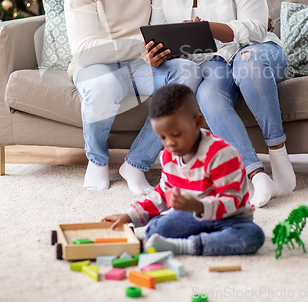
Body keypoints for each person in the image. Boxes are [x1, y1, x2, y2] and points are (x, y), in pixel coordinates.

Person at [149, 0, 296, 208]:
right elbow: (159, 32)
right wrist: (157, 53)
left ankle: (281, 162)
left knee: (247, 61)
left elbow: (256, 28)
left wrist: (210, 27)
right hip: (213, 64)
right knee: (207, 96)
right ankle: (256, 176)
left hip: (259, 52)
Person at [64, 0, 202, 194]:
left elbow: (167, 18)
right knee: (102, 86)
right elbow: (85, 50)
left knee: (188, 72)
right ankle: (97, 160)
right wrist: (141, 45)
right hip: (97, 65)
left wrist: (182, 30)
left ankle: (136, 164)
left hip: (141, 64)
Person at [103, 84, 265, 256]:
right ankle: (207, 239)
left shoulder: (222, 154)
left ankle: (186, 246)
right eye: (163, 137)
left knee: (252, 236)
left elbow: (232, 201)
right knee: (154, 229)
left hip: (229, 219)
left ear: (197, 122)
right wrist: (129, 216)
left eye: (176, 134)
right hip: (191, 216)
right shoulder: (168, 155)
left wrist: (198, 205)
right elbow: (162, 193)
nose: (169, 143)